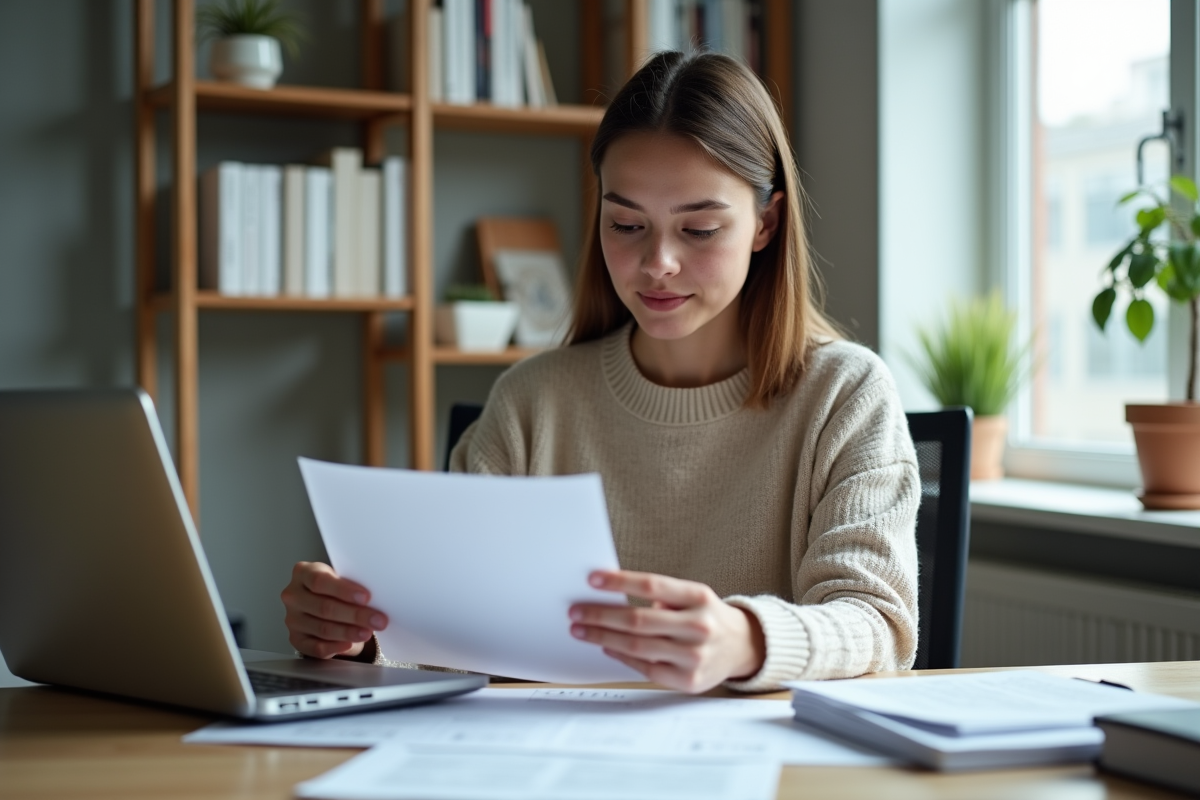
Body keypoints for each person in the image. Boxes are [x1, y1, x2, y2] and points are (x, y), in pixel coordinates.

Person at [282, 51, 920, 694]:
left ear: (766, 223)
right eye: (626, 224)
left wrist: (744, 640)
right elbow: (453, 644)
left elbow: (878, 625)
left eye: (699, 229)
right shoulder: (533, 401)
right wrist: (364, 637)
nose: (658, 262)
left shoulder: (846, 393)